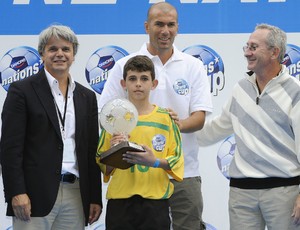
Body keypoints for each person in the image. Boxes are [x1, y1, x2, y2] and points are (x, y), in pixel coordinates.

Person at [98, 3, 212, 229]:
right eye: (159, 24)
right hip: (135, 177)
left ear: (178, 28)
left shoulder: (194, 65)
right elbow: (107, 115)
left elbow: (199, 117)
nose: (165, 30)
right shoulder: (124, 65)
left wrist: (173, 124)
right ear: (146, 26)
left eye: (171, 25)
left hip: (184, 172)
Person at [197, 23, 300, 230]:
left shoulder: (295, 91)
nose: (247, 52)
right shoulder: (240, 88)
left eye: (253, 47)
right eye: (247, 46)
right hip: (241, 194)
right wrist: (176, 128)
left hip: (284, 192)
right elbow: (215, 129)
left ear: (274, 52)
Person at [0, 25, 102, 230]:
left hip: (75, 193)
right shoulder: (22, 91)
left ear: (73, 55)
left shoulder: (86, 96)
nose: (60, 54)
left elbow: (91, 151)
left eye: (66, 49)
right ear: (42, 54)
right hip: (32, 194)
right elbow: (10, 148)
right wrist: (16, 192)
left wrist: (94, 197)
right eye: (52, 49)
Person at [96, 55, 184, 230]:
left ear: (154, 84)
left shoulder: (165, 118)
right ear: (123, 84)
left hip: (155, 203)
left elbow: (177, 160)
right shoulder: (113, 118)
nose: (138, 84)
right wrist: (115, 152)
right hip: (120, 203)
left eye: (144, 78)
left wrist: (154, 161)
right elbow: (103, 165)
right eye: (132, 79)